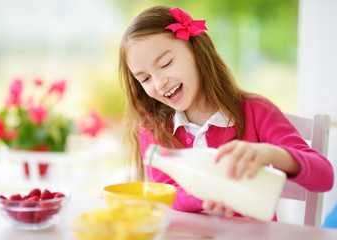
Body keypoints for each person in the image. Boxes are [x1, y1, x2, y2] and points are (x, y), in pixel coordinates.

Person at [118, 5, 334, 220]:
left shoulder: (255, 111)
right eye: (145, 78)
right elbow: (167, 193)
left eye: (166, 63)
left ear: (196, 50)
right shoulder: (154, 126)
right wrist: (209, 195)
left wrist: (272, 154)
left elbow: (325, 177)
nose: (159, 82)